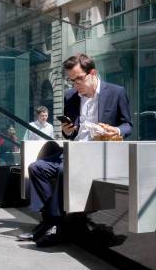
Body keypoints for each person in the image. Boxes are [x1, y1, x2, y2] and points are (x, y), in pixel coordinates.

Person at [19, 53, 133, 246]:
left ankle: (53, 224)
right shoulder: (70, 96)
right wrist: (67, 130)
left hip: (99, 155)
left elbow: (128, 125)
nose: (75, 84)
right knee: (36, 167)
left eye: (78, 79)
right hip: (73, 152)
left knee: (66, 171)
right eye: (71, 80)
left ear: (92, 73)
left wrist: (117, 130)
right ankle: (54, 219)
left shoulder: (116, 92)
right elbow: (70, 134)